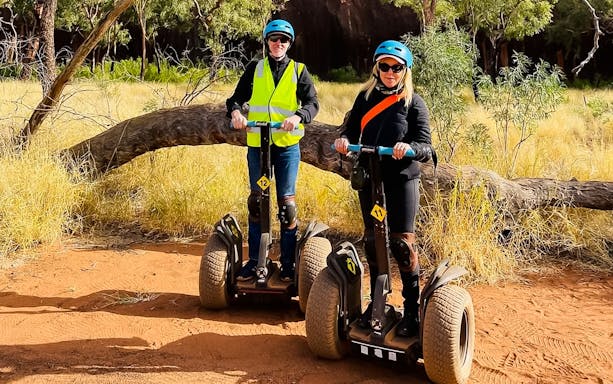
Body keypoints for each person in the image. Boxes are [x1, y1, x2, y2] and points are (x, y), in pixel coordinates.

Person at [334, 40, 434, 337]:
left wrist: (409, 147)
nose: (391, 72)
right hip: (370, 175)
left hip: (401, 177)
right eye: (385, 66)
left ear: (406, 70)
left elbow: (426, 145)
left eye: (397, 67)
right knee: (373, 240)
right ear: (377, 68)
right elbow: (351, 131)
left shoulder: (413, 102)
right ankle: (377, 302)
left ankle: (412, 311)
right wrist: (343, 142)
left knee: (402, 244)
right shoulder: (364, 97)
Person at [226, 19, 319, 282]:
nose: (278, 44)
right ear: (266, 41)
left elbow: (313, 103)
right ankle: (256, 261)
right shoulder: (255, 68)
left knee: (286, 206)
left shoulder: (299, 70)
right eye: (274, 39)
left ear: (289, 44)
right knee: (257, 203)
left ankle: (288, 265)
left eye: (284, 40)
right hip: (258, 144)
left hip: (286, 146)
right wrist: (235, 113)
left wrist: (299, 116)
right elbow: (235, 98)